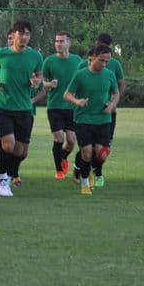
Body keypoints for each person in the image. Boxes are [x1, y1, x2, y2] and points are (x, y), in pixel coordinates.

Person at [0, 20, 43, 197]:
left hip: (24, 108)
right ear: (14, 35)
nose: (24, 37)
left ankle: (11, 173)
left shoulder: (35, 56)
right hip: (4, 106)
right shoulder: (1, 54)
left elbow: (39, 74)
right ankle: (2, 180)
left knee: (20, 151)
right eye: (21, 33)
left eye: (28, 34)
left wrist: (37, 81)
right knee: (9, 144)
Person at [64, 45, 120, 195]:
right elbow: (67, 94)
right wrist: (77, 101)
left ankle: (88, 169)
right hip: (83, 119)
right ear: (93, 57)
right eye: (101, 60)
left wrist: (112, 104)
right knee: (87, 152)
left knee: (102, 154)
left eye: (107, 61)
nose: (104, 64)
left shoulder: (109, 74)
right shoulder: (80, 74)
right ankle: (84, 183)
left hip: (103, 119)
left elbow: (116, 93)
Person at [42, 31, 83, 180]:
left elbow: (82, 80)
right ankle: (59, 170)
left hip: (72, 107)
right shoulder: (49, 61)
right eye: (56, 41)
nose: (58, 44)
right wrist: (49, 84)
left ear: (69, 43)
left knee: (71, 141)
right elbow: (42, 84)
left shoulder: (78, 61)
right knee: (58, 138)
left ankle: (63, 157)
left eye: (61, 41)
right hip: (54, 106)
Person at [88, 33, 126, 186]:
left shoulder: (114, 64)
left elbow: (122, 84)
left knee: (104, 147)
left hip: (109, 112)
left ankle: (95, 171)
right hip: (90, 112)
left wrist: (114, 101)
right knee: (89, 146)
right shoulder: (88, 62)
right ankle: (91, 173)